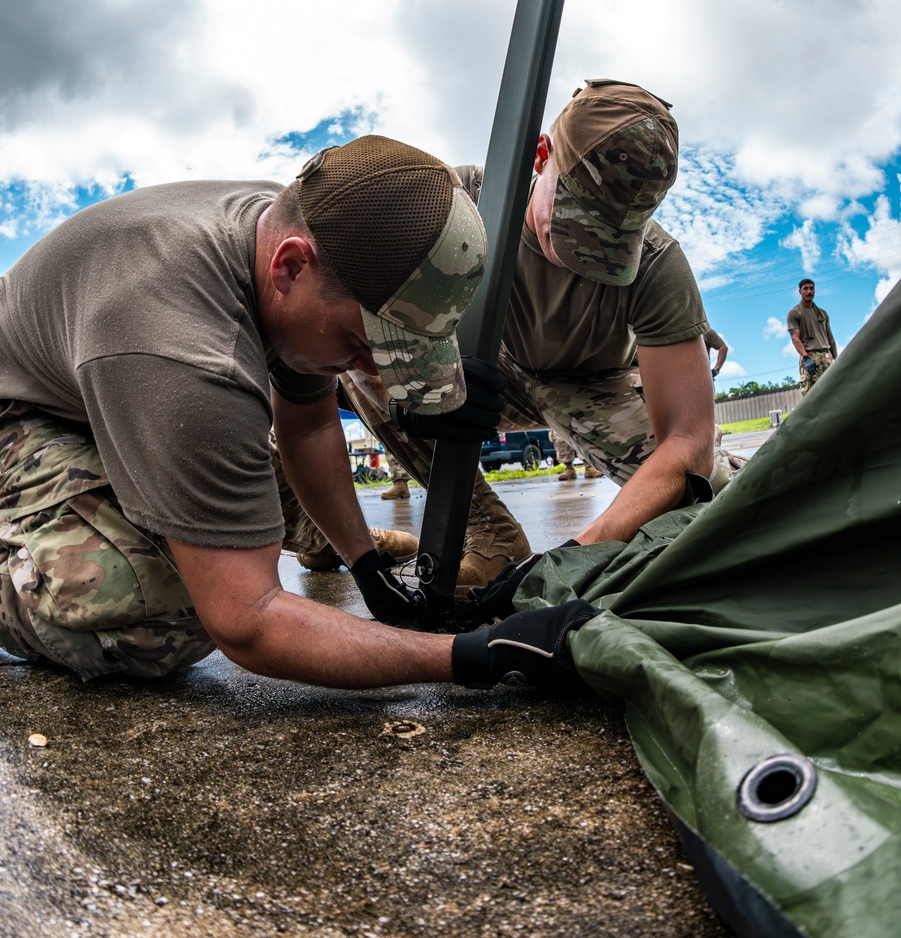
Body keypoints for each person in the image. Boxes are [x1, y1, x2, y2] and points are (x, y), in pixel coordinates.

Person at [0, 135, 601, 691]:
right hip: (24, 415)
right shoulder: (190, 354)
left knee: (236, 514)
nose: (372, 372)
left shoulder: (302, 237)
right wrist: (472, 653)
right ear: (289, 267)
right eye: (368, 343)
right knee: (165, 610)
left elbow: (309, 422)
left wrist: (365, 567)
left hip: (116, 390)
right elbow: (248, 621)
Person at [326, 80, 719, 593]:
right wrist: (415, 388)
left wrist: (572, 558)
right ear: (540, 156)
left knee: (715, 498)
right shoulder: (453, 202)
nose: (587, 255)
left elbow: (688, 443)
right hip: (476, 374)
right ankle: (488, 533)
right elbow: (344, 294)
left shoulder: (659, 264)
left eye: (615, 238)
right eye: (578, 222)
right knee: (355, 355)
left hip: (588, 384)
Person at [787, 278, 837, 395]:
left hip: (826, 356)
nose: (809, 292)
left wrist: (836, 359)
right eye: (805, 289)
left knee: (832, 392)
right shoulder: (795, 313)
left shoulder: (822, 313)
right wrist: (806, 357)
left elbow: (831, 339)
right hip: (810, 357)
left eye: (811, 289)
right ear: (800, 291)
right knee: (811, 395)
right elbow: (795, 338)